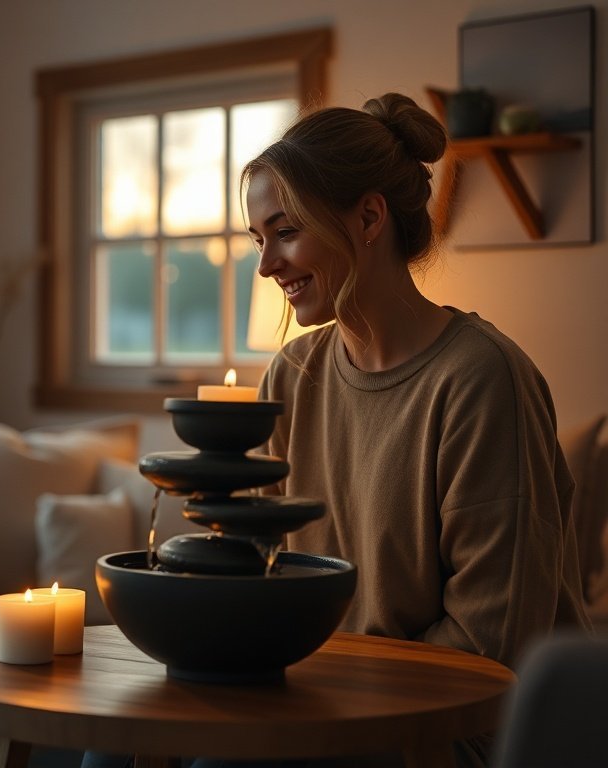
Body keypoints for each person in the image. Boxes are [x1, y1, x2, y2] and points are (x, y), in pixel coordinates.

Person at [244, 93, 590, 765]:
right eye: (260, 240)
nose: (267, 266)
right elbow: (263, 579)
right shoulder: (291, 377)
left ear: (369, 217)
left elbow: (489, 648)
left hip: (451, 731)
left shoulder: (481, 380)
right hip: (320, 711)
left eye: (286, 232)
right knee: (118, 743)